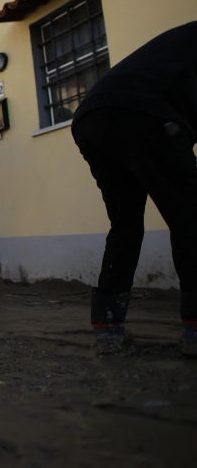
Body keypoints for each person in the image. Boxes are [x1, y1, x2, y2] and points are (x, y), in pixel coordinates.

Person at [71, 21, 197, 357]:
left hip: (90, 118)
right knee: (189, 217)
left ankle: (108, 328)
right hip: (143, 111)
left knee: (125, 223)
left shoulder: (177, 41)